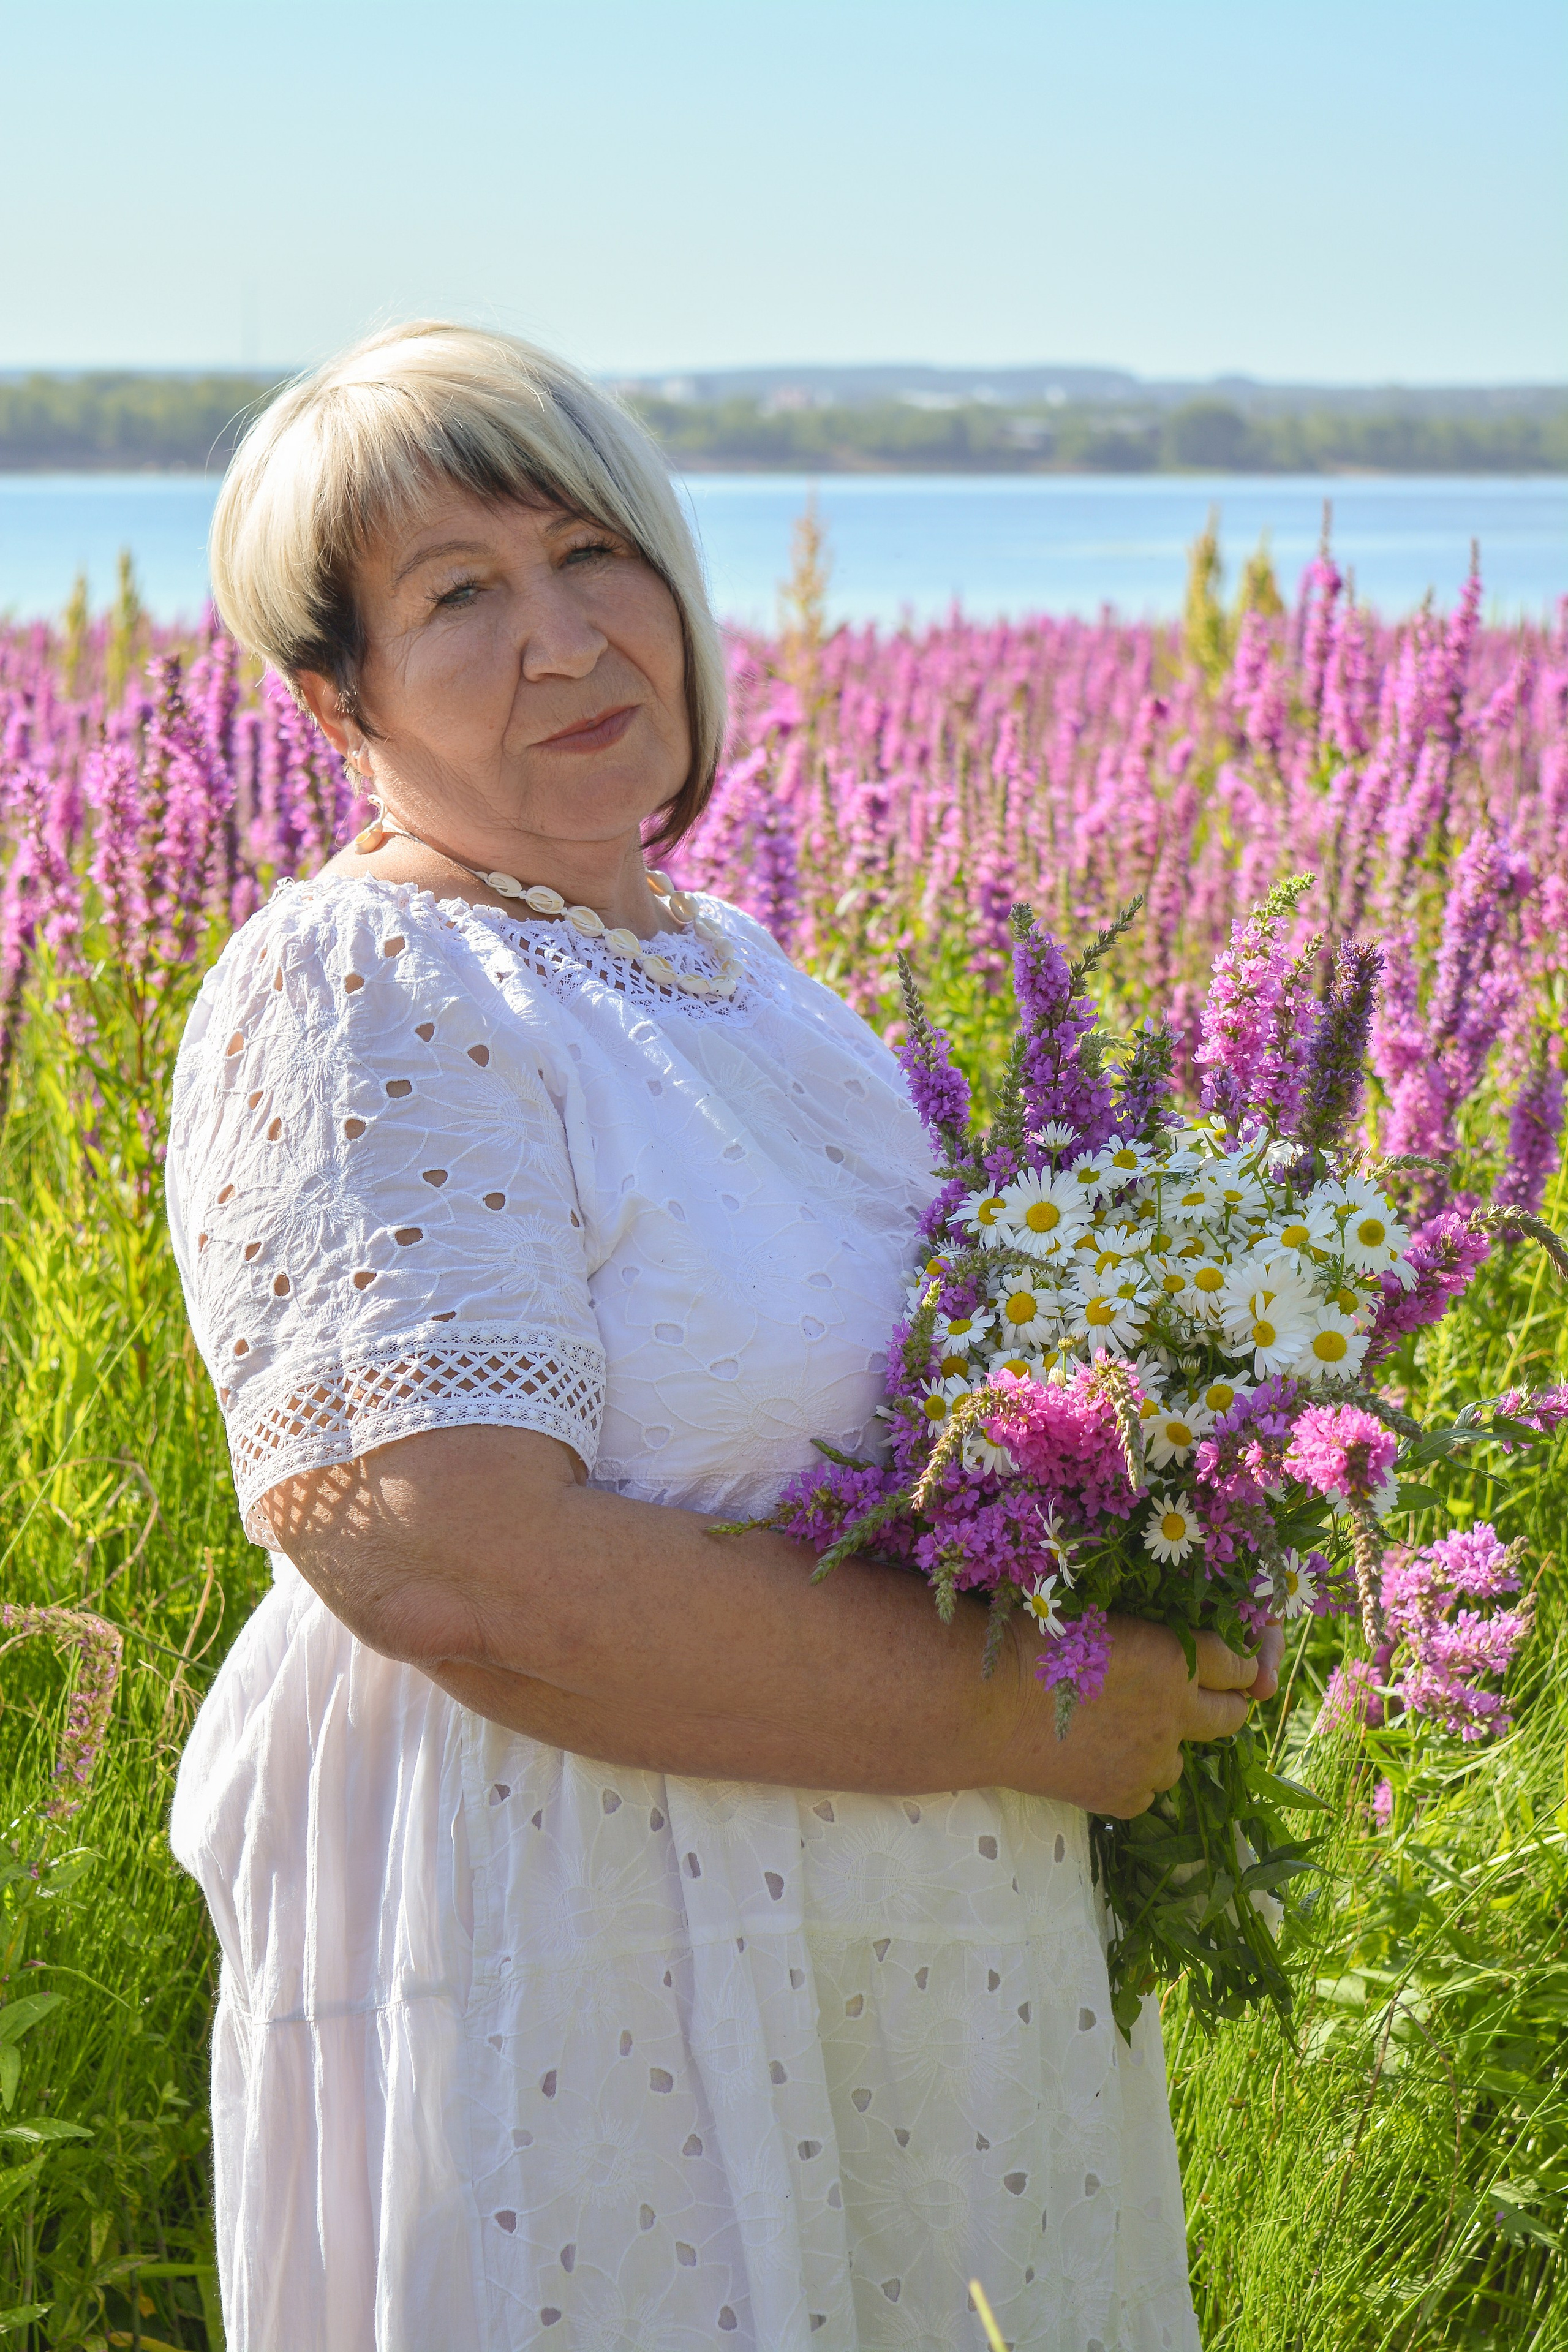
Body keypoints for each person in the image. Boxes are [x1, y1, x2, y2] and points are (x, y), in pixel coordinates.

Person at [168, 320, 1279, 2351]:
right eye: (459, 597)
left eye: (595, 555)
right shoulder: (366, 982)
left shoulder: (740, 971)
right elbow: (449, 1559)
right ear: (335, 694)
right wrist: (1030, 1710)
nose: (569, 641)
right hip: (591, 1979)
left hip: (883, 1961)